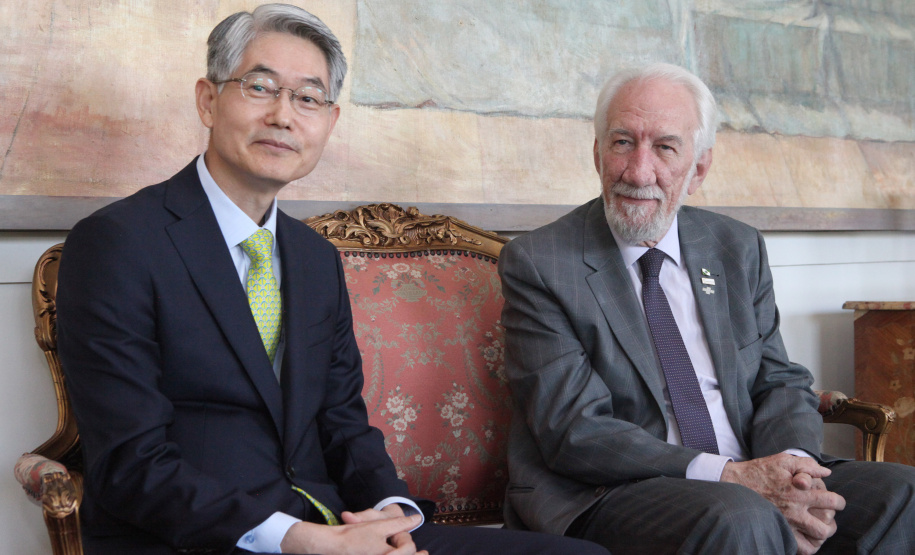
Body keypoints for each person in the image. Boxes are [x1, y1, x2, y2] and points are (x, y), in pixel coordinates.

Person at [56, 4, 609, 555]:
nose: (283, 115)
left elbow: (344, 424)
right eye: (260, 87)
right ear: (208, 99)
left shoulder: (314, 257)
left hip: (336, 528)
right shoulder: (118, 244)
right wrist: (300, 540)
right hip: (207, 539)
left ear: (329, 121)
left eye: (307, 98)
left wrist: (394, 515)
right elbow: (132, 464)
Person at [498, 62, 915, 555]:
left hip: (751, 468)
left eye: (665, 147)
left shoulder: (736, 247)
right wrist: (731, 476)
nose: (638, 171)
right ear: (597, 153)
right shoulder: (540, 263)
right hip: (612, 490)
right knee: (741, 516)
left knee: (903, 493)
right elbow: (574, 429)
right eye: (622, 142)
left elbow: (779, 380)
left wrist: (794, 470)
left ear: (698, 168)